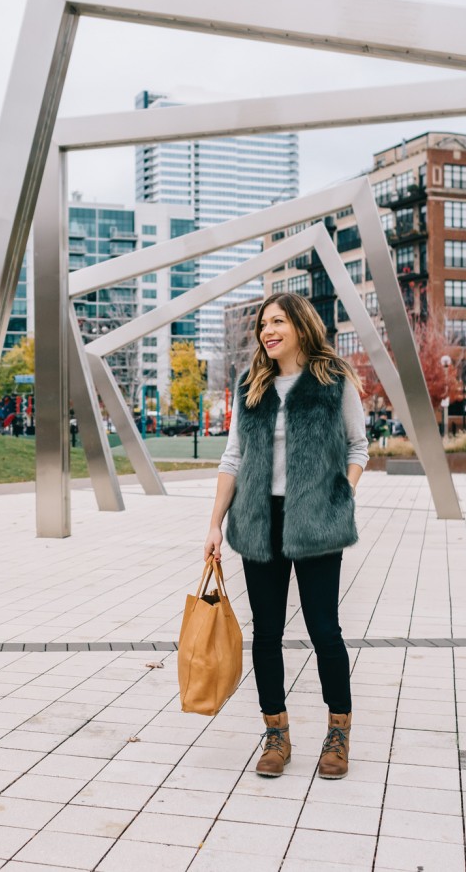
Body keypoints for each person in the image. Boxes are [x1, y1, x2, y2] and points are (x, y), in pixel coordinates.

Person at [204, 292, 368, 781]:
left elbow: (358, 445)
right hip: (258, 520)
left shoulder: (333, 382)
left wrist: (343, 493)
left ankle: (338, 733)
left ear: (300, 325)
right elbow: (232, 458)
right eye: (262, 324)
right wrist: (214, 522)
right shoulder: (250, 385)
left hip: (318, 519)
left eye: (277, 321)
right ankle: (276, 733)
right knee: (267, 631)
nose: (267, 331)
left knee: (324, 628)